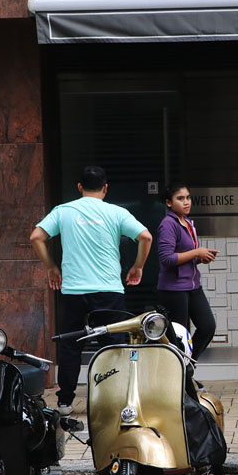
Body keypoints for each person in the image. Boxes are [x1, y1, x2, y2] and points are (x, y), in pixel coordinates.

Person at [30, 165, 153, 415]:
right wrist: (137, 266)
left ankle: (64, 401)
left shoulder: (63, 211)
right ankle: (114, 399)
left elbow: (36, 237)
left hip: (75, 291)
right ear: (106, 188)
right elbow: (146, 237)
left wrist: (51, 267)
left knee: (71, 345)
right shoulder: (117, 212)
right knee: (112, 346)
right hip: (109, 290)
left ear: (79, 187)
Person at [157, 183, 219, 361]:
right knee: (179, 338)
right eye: (180, 198)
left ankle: (187, 369)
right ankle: (182, 378)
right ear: (169, 202)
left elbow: (185, 256)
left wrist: (201, 257)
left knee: (207, 326)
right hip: (173, 290)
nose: (186, 202)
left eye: (188, 197)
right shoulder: (168, 224)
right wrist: (196, 252)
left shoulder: (188, 222)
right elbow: (166, 258)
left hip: (192, 286)